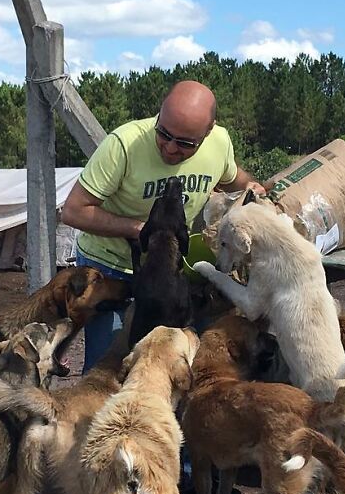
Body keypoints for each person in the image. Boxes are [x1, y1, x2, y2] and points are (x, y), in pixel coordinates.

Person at [61, 80, 266, 371]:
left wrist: (255, 189)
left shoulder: (220, 143)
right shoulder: (123, 145)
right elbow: (73, 211)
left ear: (208, 132)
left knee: (176, 364)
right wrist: (140, 230)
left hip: (170, 274)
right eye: (164, 134)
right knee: (109, 369)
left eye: (184, 143)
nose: (170, 148)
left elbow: (237, 181)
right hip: (110, 269)